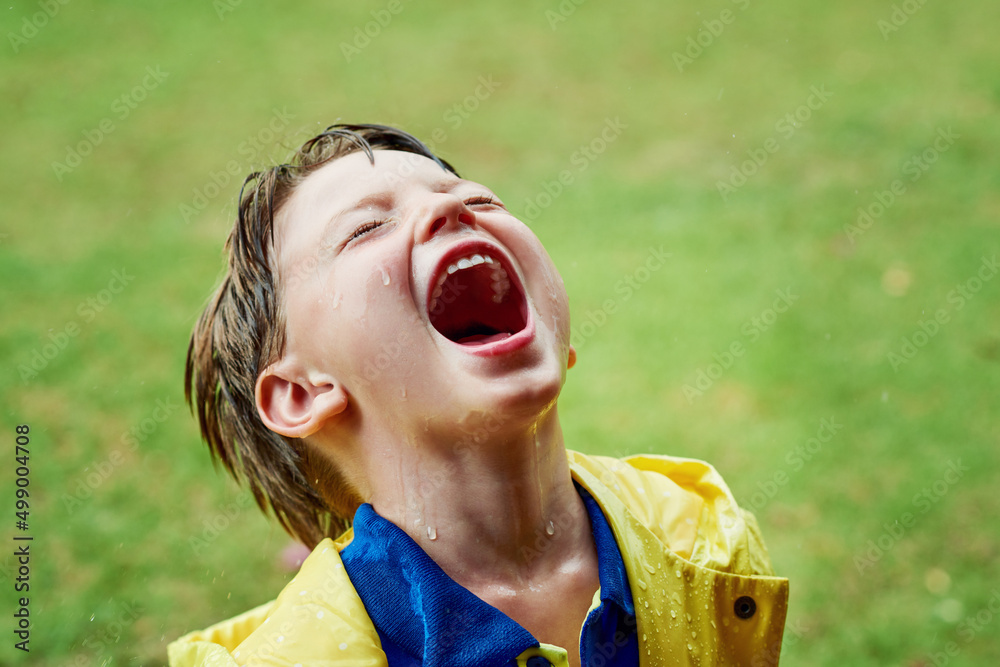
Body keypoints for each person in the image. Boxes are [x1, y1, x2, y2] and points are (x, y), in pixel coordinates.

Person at [168, 124, 789, 667]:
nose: (452, 212)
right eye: (366, 229)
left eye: (479, 198)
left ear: (556, 337)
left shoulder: (705, 546)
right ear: (303, 393)